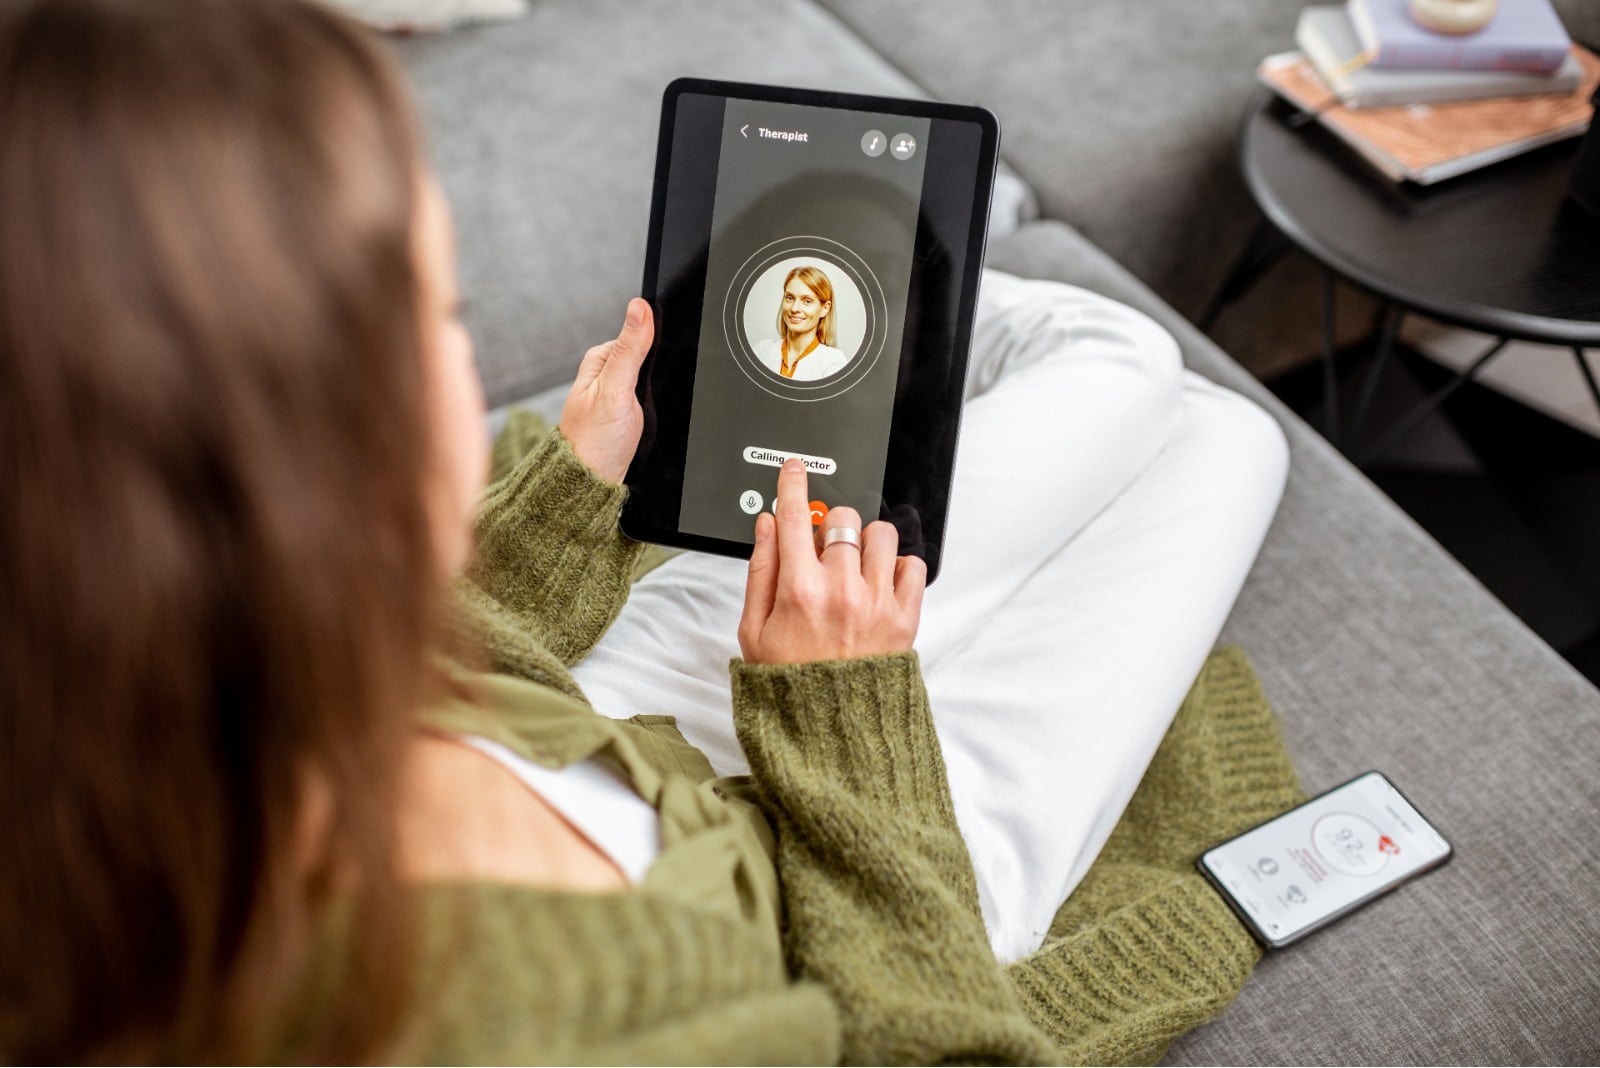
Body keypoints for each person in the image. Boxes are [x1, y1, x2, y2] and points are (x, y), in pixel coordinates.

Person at [0, 0, 1303, 1063]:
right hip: (871, 848)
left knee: (1155, 396)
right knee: (1208, 424)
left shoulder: (149, 699)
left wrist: (572, 492)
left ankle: (907, 306)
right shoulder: (525, 1020)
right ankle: (925, 295)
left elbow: (462, 679)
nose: (468, 371)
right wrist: (846, 710)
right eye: (443, 321)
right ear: (327, 458)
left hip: (620, 705)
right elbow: (925, 1040)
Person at [754, 264, 851, 380]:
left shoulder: (833, 362)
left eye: (807, 301)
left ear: (825, 308)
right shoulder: (761, 351)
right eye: (789, 298)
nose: (794, 308)